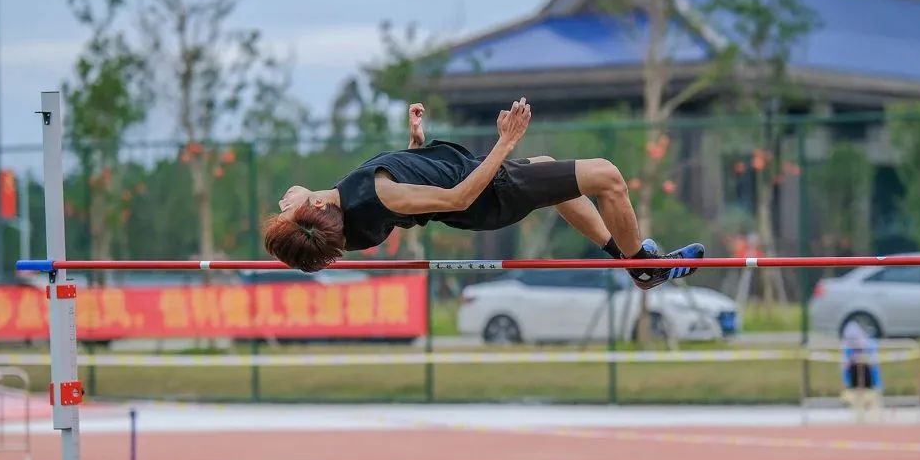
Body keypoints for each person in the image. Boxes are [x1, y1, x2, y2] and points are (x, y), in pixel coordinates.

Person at [263, 99, 704, 289]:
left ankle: (622, 256)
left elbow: (418, 184)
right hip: (490, 192)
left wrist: (416, 143)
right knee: (608, 178)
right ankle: (643, 268)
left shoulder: (353, 212)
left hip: (485, 183)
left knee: (551, 171)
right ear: (317, 206)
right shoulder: (372, 194)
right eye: (289, 208)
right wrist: (507, 141)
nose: (287, 200)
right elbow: (455, 198)